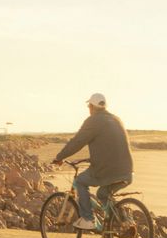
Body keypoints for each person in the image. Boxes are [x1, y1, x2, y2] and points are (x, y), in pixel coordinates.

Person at [53, 93, 133, 230]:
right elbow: (110, 146)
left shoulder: (93, 120)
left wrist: (59, 157)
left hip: (107, 170)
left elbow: (77, 142)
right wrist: (92, 158)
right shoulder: (116, 119)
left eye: (88, 106)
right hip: (127, 171)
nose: (88, 109)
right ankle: (122, 223)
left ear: (92, 106)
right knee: (102, 194)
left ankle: (87, 219)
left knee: (80, 181)